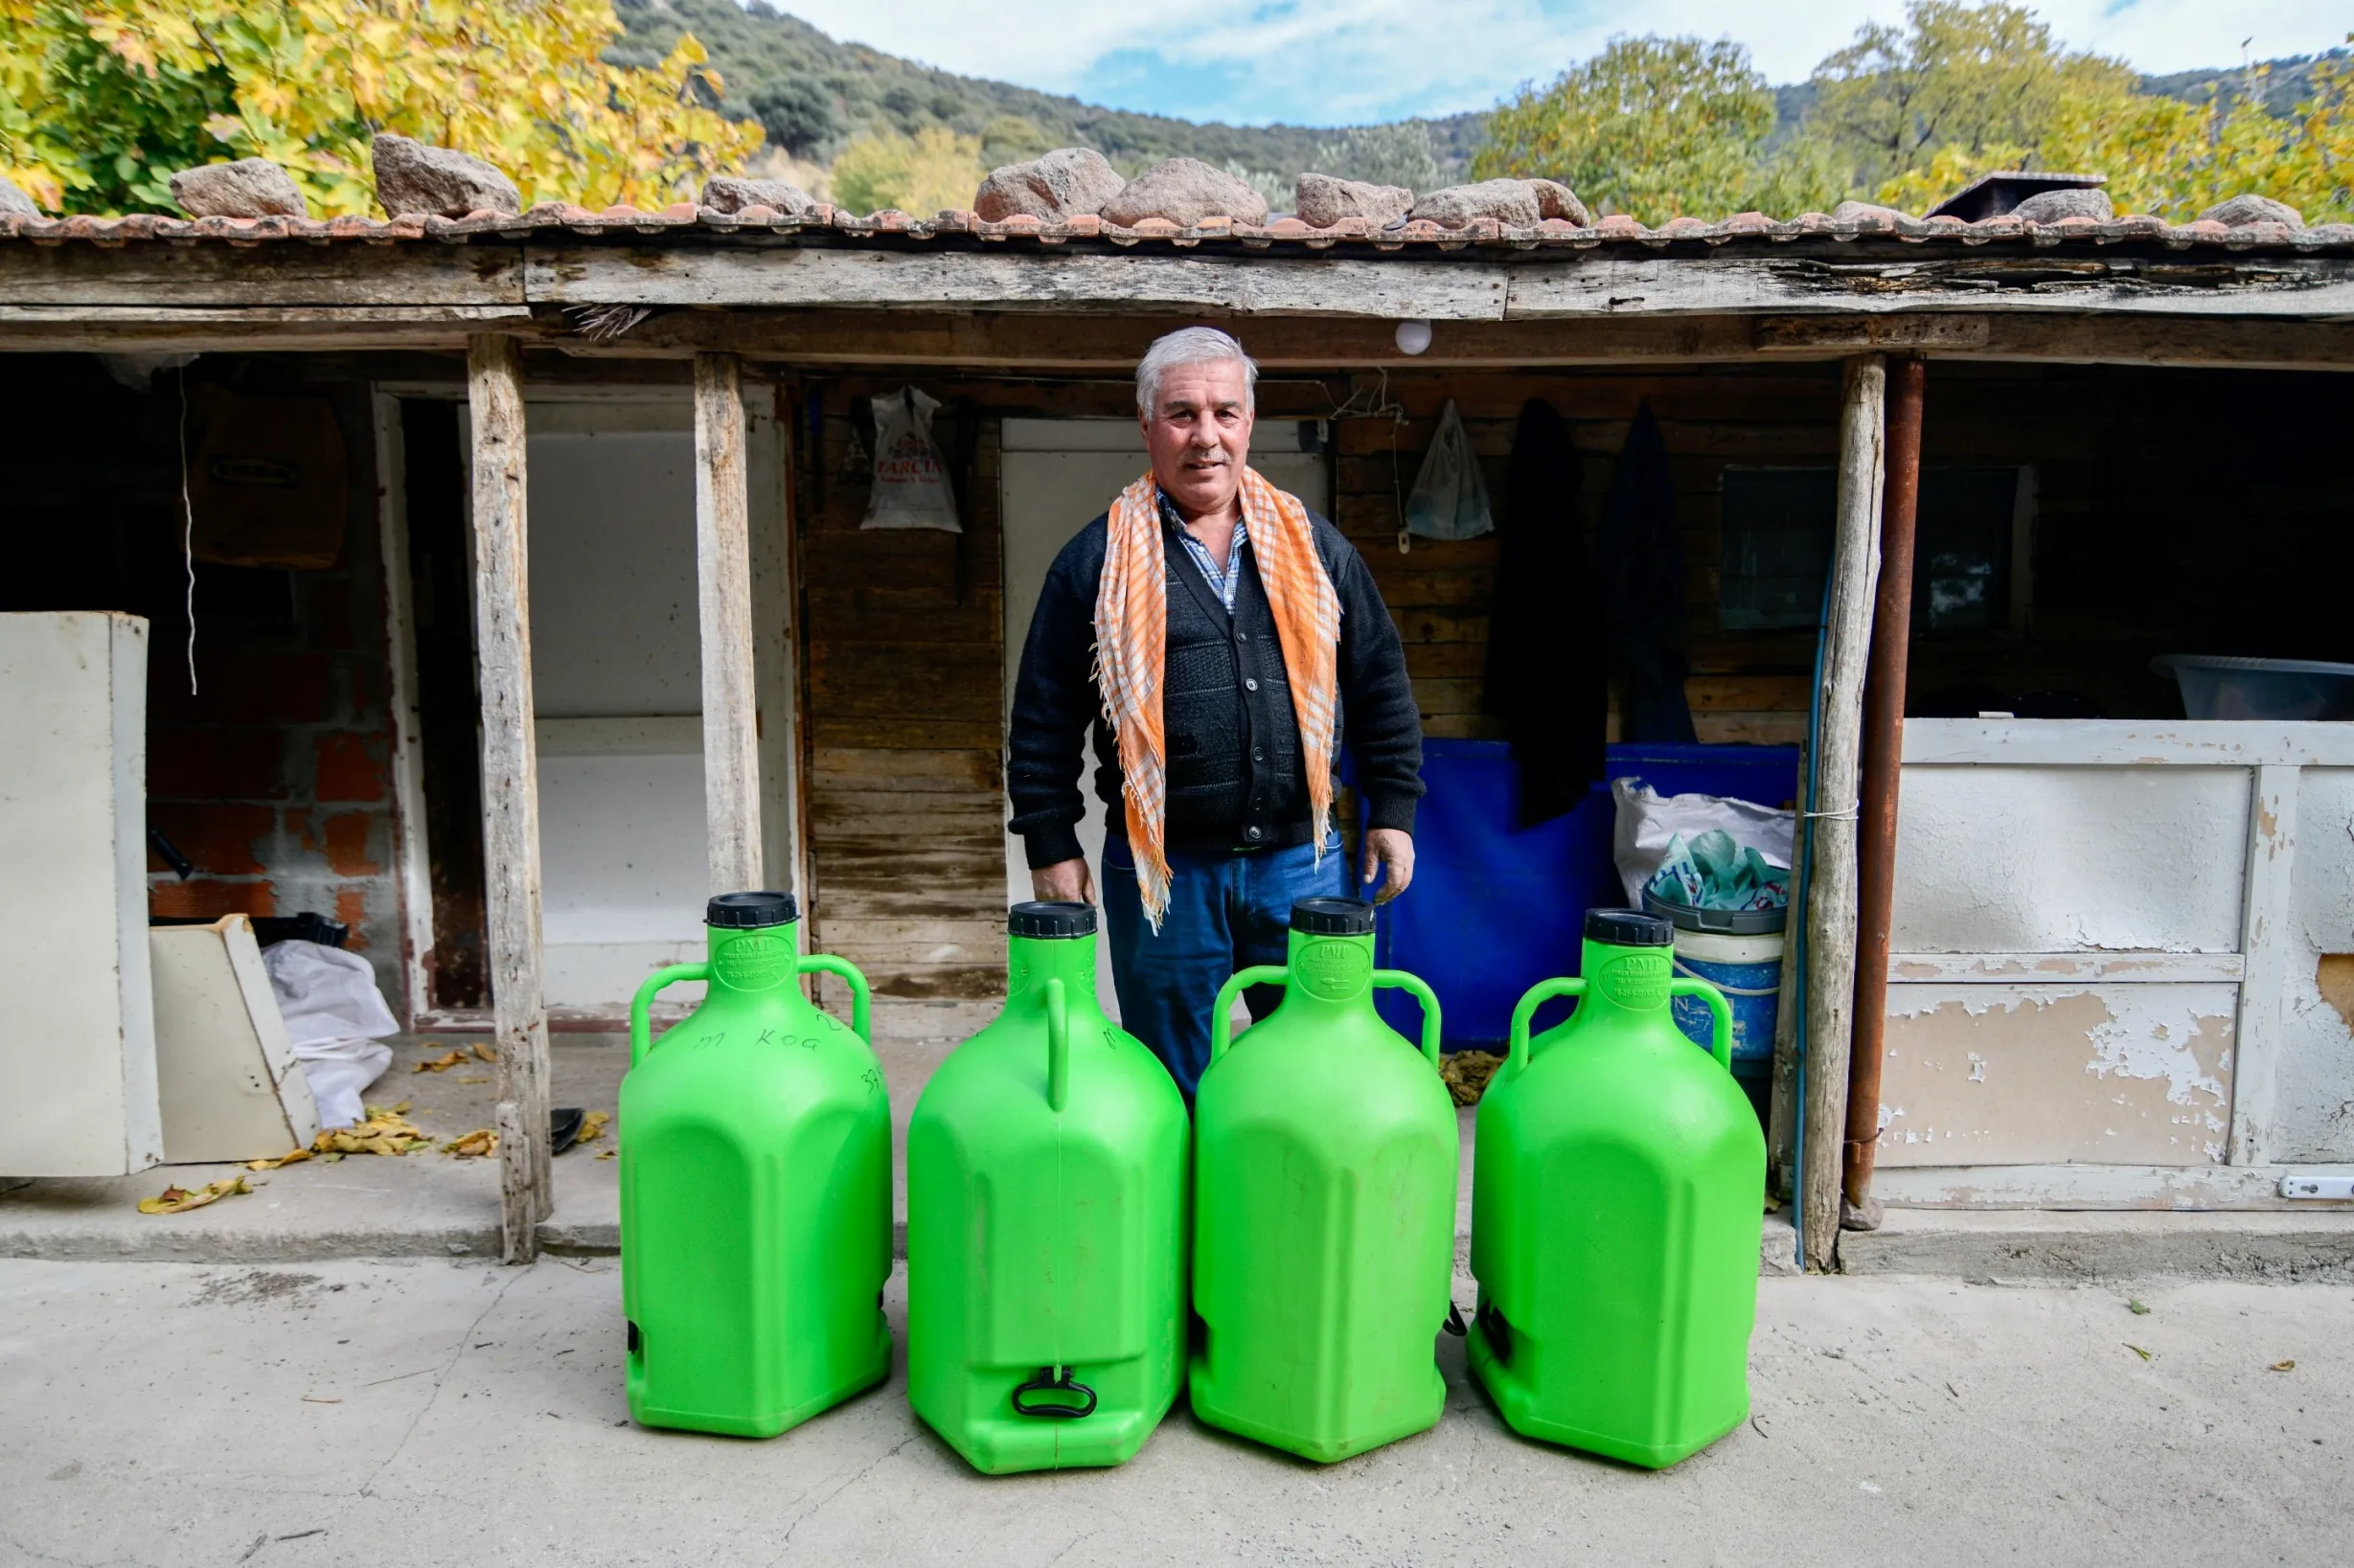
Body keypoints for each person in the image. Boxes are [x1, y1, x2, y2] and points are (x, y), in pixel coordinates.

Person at [1007, 326, 1426, 1096]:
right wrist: (1048, 838)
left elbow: (1377, 682)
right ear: (1146, 425)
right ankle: (1187, 1215)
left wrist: (1392, 808)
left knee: (1311, 1077)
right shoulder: (1095, 560)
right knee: (1174, 1080)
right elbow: (1044, 714)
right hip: (1164, 874)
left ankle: (1281, 1214)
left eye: (1225, 413)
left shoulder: (1315, 548)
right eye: (1182, 414)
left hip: (1303, 866)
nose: (1206, 436)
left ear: (1249, 422)